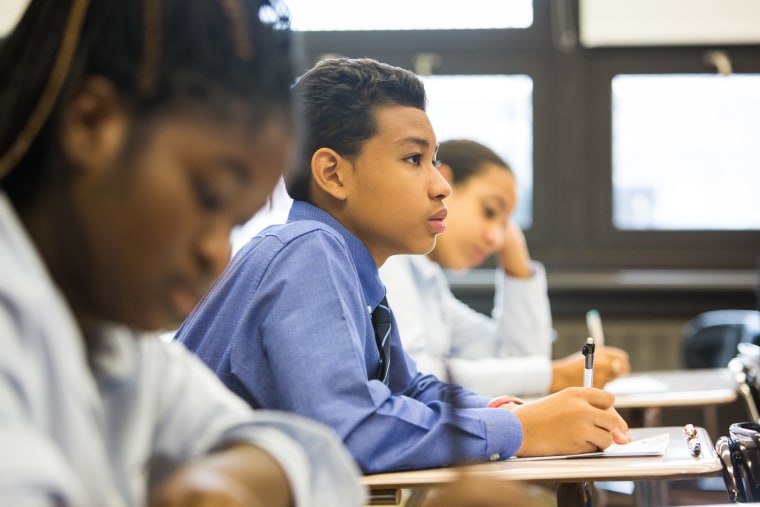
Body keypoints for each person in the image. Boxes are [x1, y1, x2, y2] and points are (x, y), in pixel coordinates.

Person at [175, 57, 631, 474]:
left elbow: (413, 389)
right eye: (414, 159)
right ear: (333, 174)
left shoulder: (353, 267)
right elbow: (351, 431)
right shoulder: (308, 250)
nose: (440, 186)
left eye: (433, 161)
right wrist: (523, 431)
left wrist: (510, 412)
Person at [0, 1, 365, 506]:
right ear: (90, 122)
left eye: (237, 223)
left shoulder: (116, 342)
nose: (217, 255)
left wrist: (229, 482)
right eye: (209, 196)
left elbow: (314, 454)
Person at [380, 139, 631, 397]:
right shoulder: (389, 263)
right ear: (443, 185)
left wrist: (517, 263)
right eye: (489, 211)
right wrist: (556, 376)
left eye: (505, 225)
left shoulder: (428, 282)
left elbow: (522, 358)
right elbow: (413, 377)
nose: (496, 240)